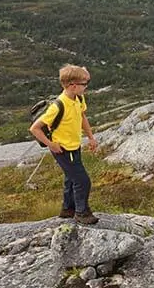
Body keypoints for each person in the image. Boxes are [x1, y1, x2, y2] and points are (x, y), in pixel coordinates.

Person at [29, 64, 99, 224]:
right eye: (84, 84)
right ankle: (81, 212)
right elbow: (35, 128)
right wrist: (50, 144)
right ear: (73, 86)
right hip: (63, 149)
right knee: (83, 181)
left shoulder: (78, 98)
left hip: (75, 146)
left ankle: (67, 210)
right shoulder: (58, 106)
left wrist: (91, 137)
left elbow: (82, 117)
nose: (86, 87)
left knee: (70, 178)